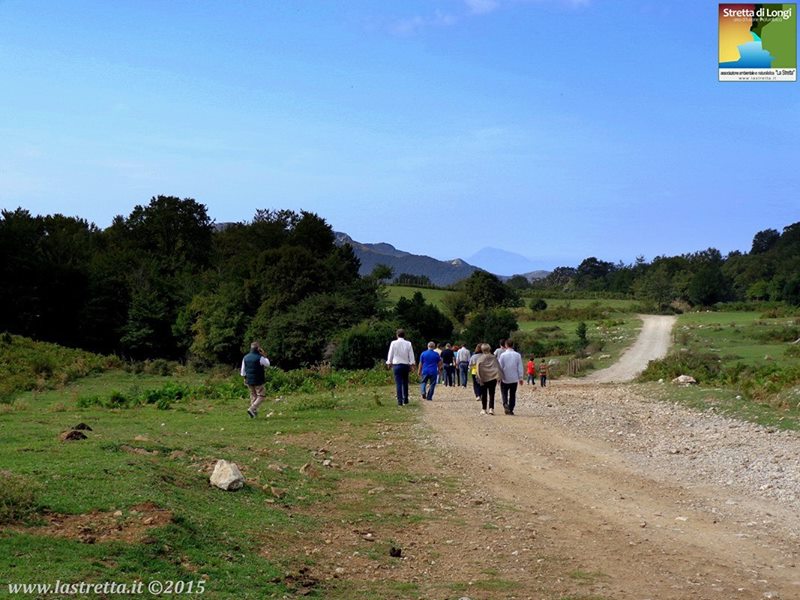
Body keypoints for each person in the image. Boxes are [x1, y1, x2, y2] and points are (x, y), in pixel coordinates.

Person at [241, 341, 270, 418]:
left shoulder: (245, 357)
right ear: (258, 349)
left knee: (253, 395)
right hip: (258, 379)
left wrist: (244, 378)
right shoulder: (260, 357)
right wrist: (264, 355)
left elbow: (243, 370)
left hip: (248, 380)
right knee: (261, 395)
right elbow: (268, 364)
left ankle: (253, 413)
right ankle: (252, 408)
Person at [387, 329, 415, 406]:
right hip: (405, 365)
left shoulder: (393, 343)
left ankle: (400, 401)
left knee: (398, 383)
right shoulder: (408, 343)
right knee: (405, 382)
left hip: (396, 365)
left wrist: (389, 362)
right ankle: (406, 399)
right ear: (404, 335)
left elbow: (390, 353)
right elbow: (411, 355)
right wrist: (412, 364)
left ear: (397, 335)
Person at [475, 343, 503, 415]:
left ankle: (484, 409)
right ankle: (491, 408)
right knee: (492, 393)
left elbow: (478, 369)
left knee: (484, 394)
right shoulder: (493, 357)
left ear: (482, 349)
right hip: (492, 378)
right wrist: (498, 377)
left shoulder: (480, 358)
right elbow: (497, 367)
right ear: (489, 349)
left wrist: (479, 378)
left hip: (483, 378)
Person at [498, 340, 524, 415]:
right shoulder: (517, 355)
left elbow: (500, 367)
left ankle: (505, 403)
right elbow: (520, 367)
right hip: (514, 378)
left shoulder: (503, 355)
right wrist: (520, 378)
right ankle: (511, 408)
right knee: (512, 394)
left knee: (504, 393)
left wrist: (499, 377)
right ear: (513, 345)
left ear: (506, 345)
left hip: (505, 377)